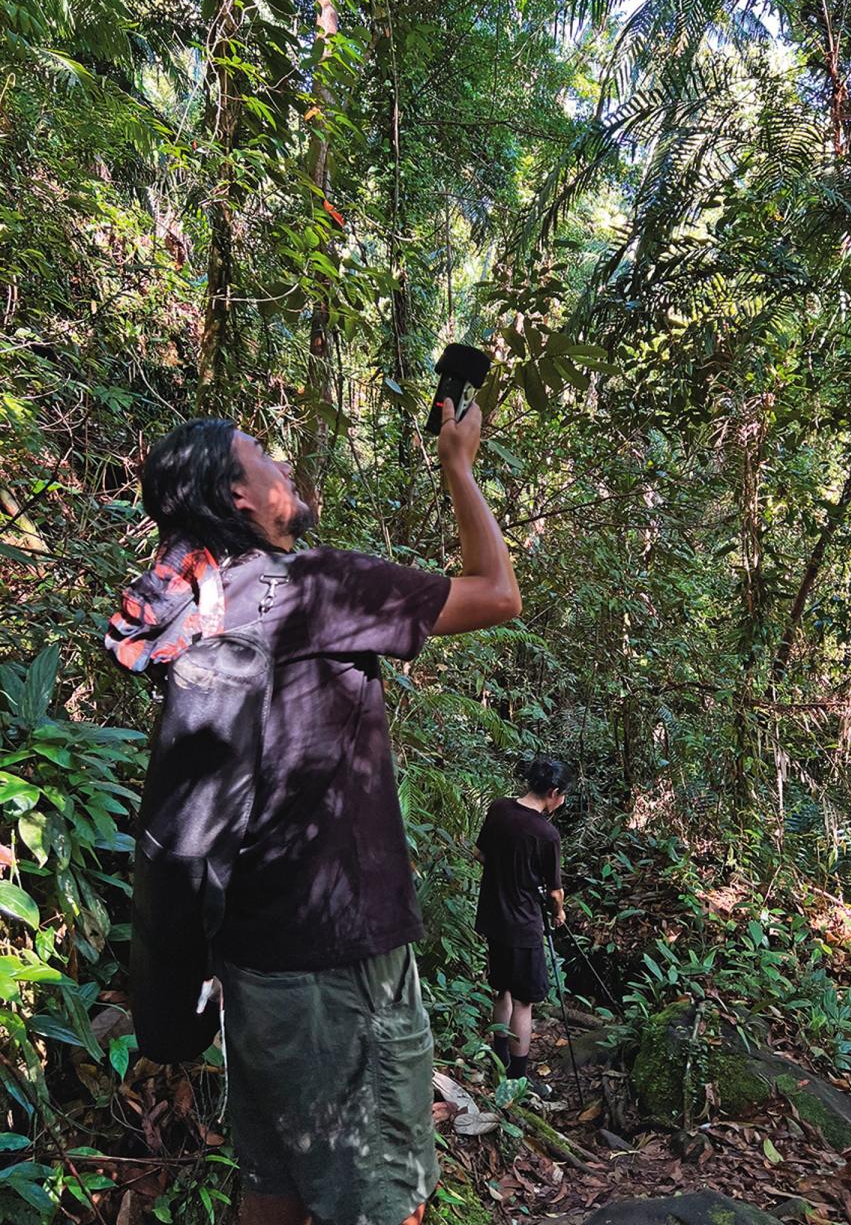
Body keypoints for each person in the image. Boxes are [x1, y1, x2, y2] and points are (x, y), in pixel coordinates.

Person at [106, 399, 520, 1225]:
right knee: (383, 1202)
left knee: (273, 1189)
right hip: (343, 965)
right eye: (263, 456)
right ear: (240, 500)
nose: (283, 464)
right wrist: (459, 467)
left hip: (251, 965)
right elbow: (498, 594)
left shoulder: (200, 607)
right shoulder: (319, 586)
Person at [474, 757, 572, 1090]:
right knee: (523, 1001)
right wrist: (558, 911)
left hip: (493, 916)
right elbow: (555, 891)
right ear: (554, 792)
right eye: (563, 795)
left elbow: (480, 854)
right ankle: (516, 1078)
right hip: (523, 924)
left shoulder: (499, 809)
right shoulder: (546, 833)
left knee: (501, 989)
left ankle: (498, 1059)